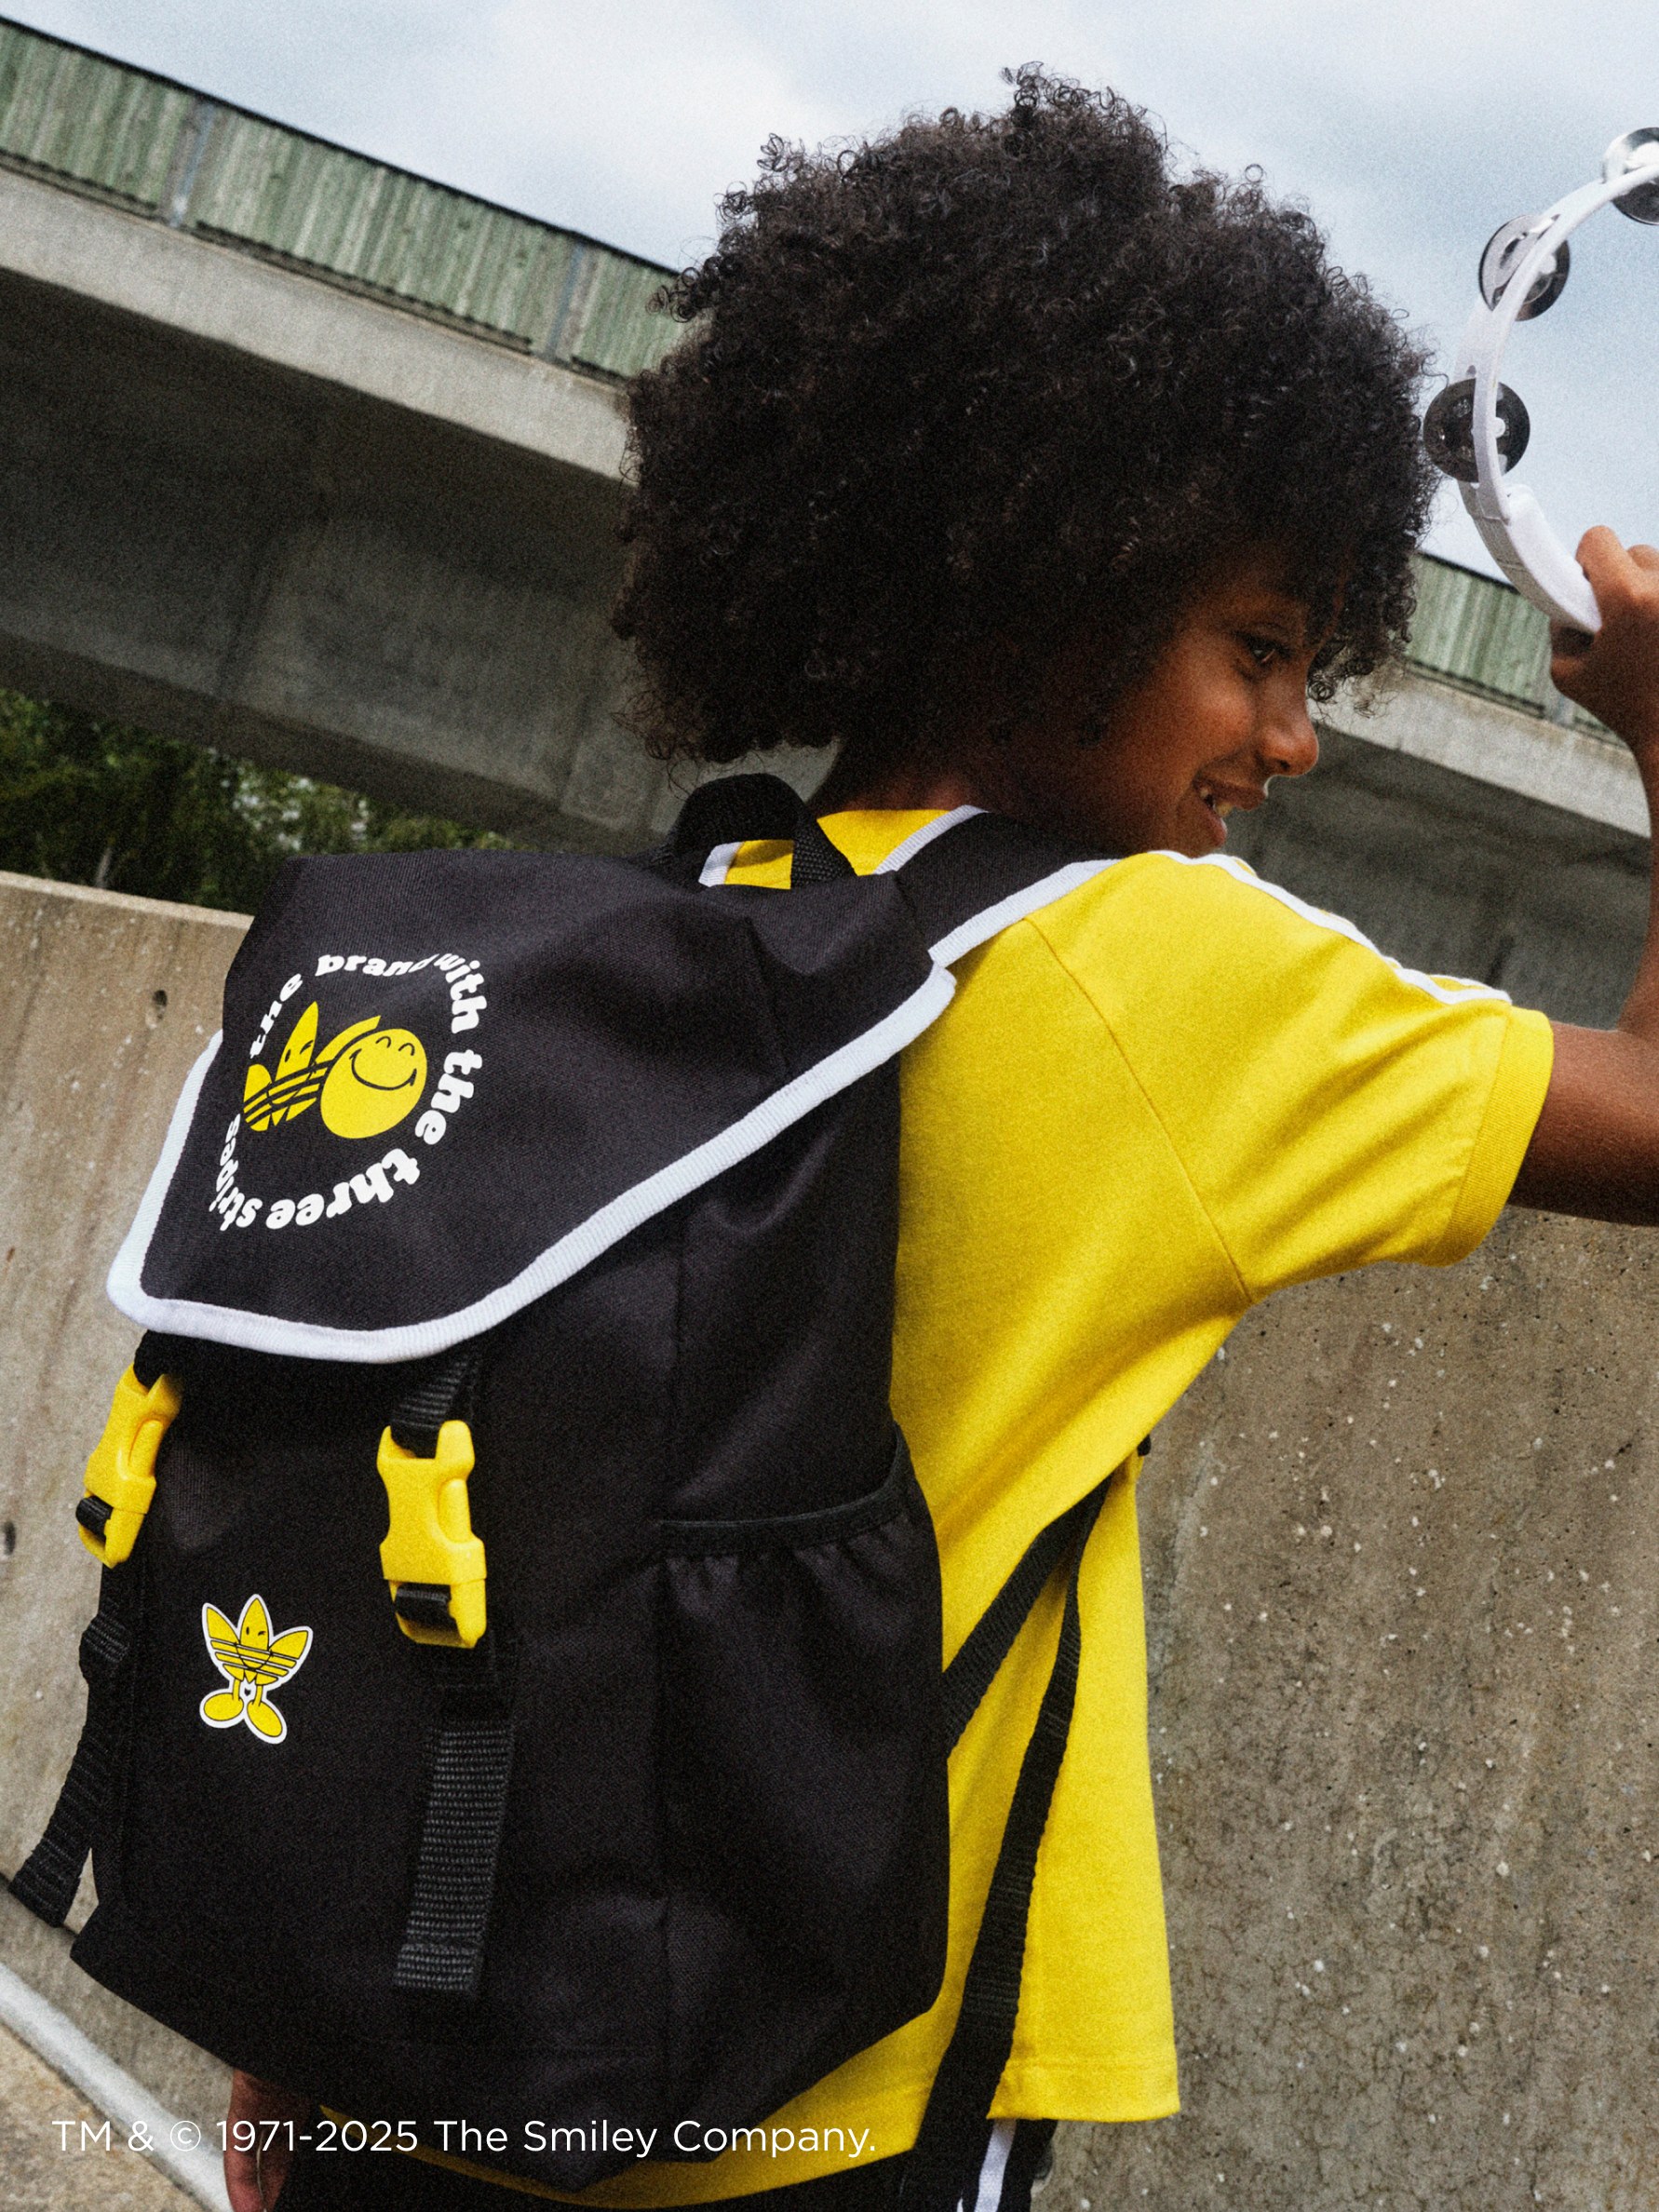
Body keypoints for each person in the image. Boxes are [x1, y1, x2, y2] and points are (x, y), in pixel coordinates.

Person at [230, 68, 1659, 2212]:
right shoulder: (1165, 977)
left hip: (433, 2050)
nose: (1290, 738)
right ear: (1046, 593)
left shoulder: (658, 937)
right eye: (1259, 650)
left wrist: (302, 2033)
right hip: (840, 2088)